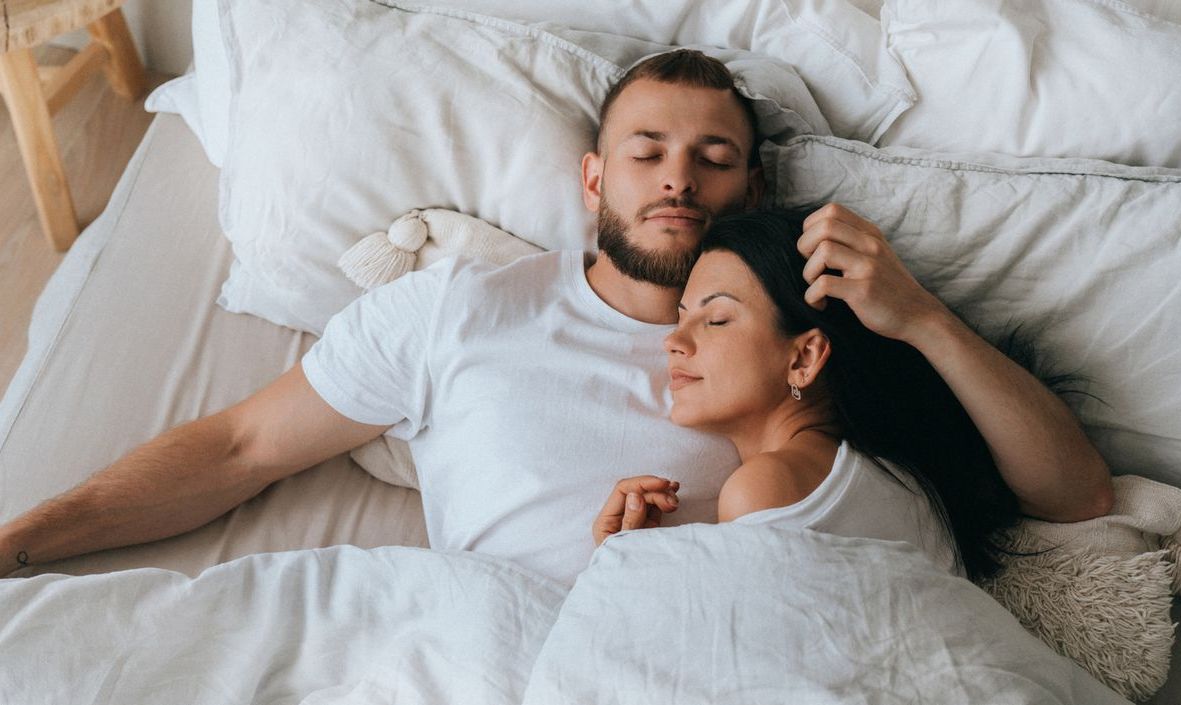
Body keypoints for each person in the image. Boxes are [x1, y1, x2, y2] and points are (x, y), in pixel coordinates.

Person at [0, 50, 1113, 585]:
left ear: (753, 191)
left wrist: (924, 320)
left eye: (713, 157)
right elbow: (241, 447)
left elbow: (1073, 495)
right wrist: (22, 543)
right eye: (647, 151)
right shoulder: (456, 308)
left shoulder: (812, 338)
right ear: (592, 180)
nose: (677, 177)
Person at [593, 208, 1028, 580]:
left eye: (717, 319)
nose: (673, 341)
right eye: (681, 318)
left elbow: (740, 646)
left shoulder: (766, 486)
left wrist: (625, 569)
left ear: (804, 358)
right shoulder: (886, 474)